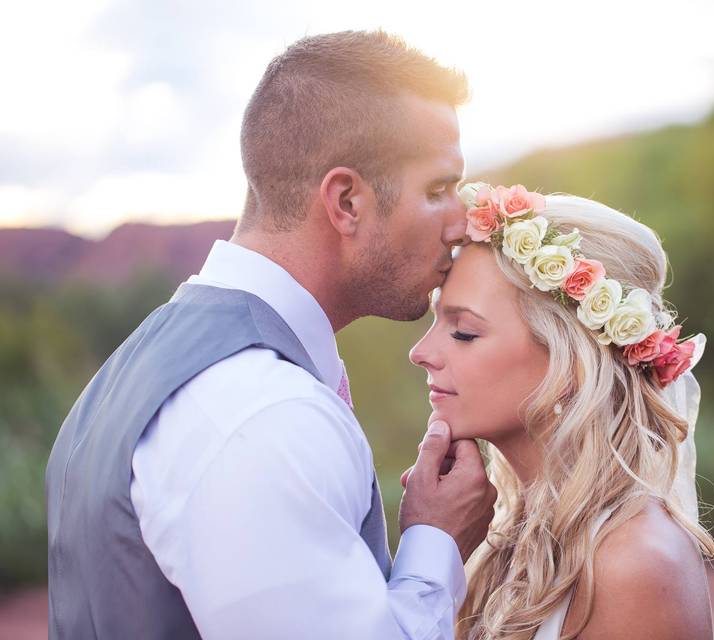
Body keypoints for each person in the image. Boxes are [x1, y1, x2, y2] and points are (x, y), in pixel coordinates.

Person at [45, 31, 496, 639]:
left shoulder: (153, 364)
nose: (461, 219)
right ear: (346, 201)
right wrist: (435, 543)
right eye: (438, 189)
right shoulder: (263, 413)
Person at [408, 184, 714, 639]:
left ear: (569, 361)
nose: (420, 352)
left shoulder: (635, 564)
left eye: (465, 332)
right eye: (436, 323)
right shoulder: (500, 538)